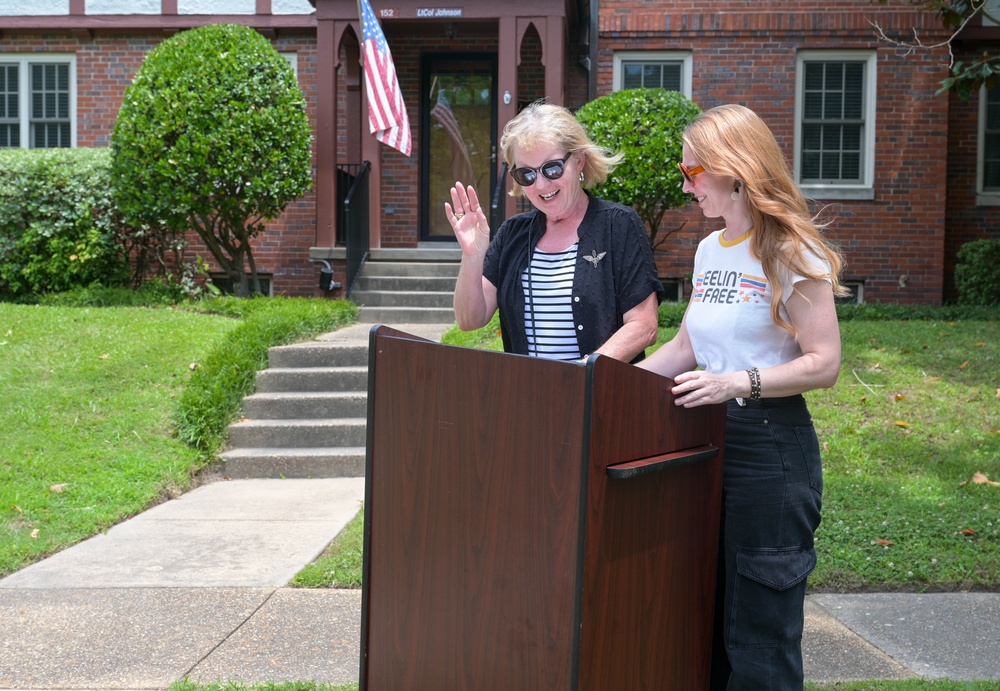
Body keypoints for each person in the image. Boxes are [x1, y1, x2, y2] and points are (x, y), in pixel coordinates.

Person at [637, 104, 848, 690]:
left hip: (771, 449)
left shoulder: (788, 249)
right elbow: (684, 347)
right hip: (706, 442)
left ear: (733, 168)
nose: (685, 184)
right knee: (707, 620)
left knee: (760, 633)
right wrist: (603, 385)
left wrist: (738, 383)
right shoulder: (710, 250)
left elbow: (824, 363)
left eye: (692, 169)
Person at [446, 101, 662, 364]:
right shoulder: (513, 233)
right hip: (531, 398)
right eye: (526, 174)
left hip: (601, 396)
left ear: (579, 161)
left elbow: (643, 326)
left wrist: (581, 376)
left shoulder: (619, 225)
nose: (541, 184)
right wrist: (472, 255)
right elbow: (470, 320)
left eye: (552, 168)